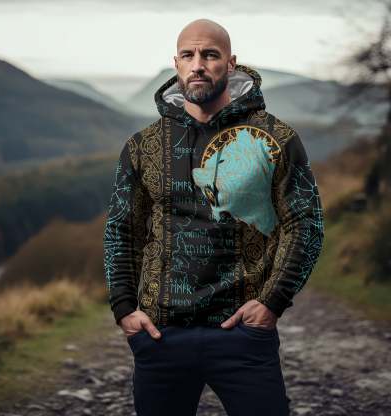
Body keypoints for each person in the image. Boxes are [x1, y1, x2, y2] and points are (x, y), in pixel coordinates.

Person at [103, 18, 324, 416]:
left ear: (231, 63)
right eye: (188, 55)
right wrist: (123, 309)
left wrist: (272, 302)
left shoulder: (275, 138)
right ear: (176, 63)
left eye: (210, 54)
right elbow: (122, 230)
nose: (198, 65)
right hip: (161, 335)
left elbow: (305, 223)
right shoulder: (142, 146)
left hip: (243, 333)